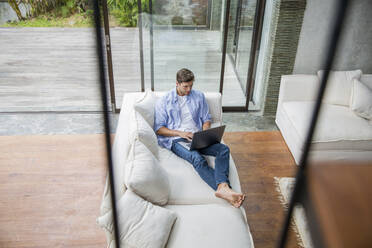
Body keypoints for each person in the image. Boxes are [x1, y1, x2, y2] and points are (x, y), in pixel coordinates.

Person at [154, 68, 245, 208]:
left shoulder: (198, 96)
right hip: (177, 139)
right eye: (186, 86)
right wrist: (180, 133)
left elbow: (206, 119)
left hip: (197, 136)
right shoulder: (164, 101)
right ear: (177, 83)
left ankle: (223, 188)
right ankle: (225, 189)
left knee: (223, 149)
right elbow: (159, 129)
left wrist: (204, 134)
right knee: (197, 159)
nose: (189, 89)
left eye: (191, 85)